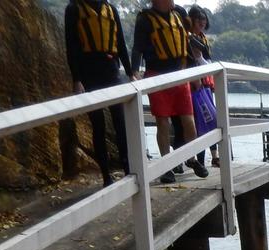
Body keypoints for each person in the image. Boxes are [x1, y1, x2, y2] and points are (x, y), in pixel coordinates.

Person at [131, 0, 208, 183]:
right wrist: (134, 71)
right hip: (157, 75)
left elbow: (189, 36)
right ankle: (166, 165)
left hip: (179, 74)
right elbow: (137, 48)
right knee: (163, 122)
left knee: (188, 120)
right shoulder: (145, 19)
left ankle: (192, 158)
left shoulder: (179, 14)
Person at [64, 0, 133, 186]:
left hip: (111, 71)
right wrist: (77, 79)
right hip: (89, 73)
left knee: (120, 122)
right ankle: (106, 175)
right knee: (98, 125)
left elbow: (120, 43)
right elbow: (71, 46)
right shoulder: (74, 8)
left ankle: (128, 169)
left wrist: (130, 72)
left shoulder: (111, 9)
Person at [187, 5, 221, 168]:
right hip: (195, 87)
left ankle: (214, 156)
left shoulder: (202, 38)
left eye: (204, 19)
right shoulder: (189, 38)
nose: (202, 22)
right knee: (201, 122)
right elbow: (196, 61)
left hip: (206, 85)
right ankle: (199, 160)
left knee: (211, 120)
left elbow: (206, 60)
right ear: (191, 20)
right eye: (198, 19)